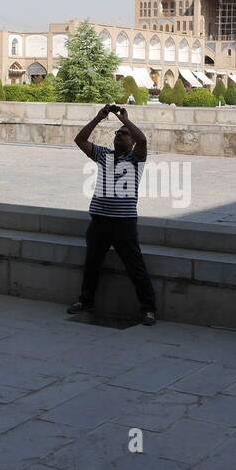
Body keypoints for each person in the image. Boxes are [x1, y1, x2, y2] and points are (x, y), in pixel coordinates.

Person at [68, 104, 158, 326]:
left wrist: (123, 120)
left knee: (135, 266)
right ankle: (86, 301)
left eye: (124, 134)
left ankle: (148, 309)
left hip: (123, 222)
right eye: (117, 134)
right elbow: (80, 140)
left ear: (132, 142)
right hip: (100, 219)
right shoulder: (104, 155)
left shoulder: (136, 159)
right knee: (92, 263)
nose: (119, 135)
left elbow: (143, 140)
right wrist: (99, 117)